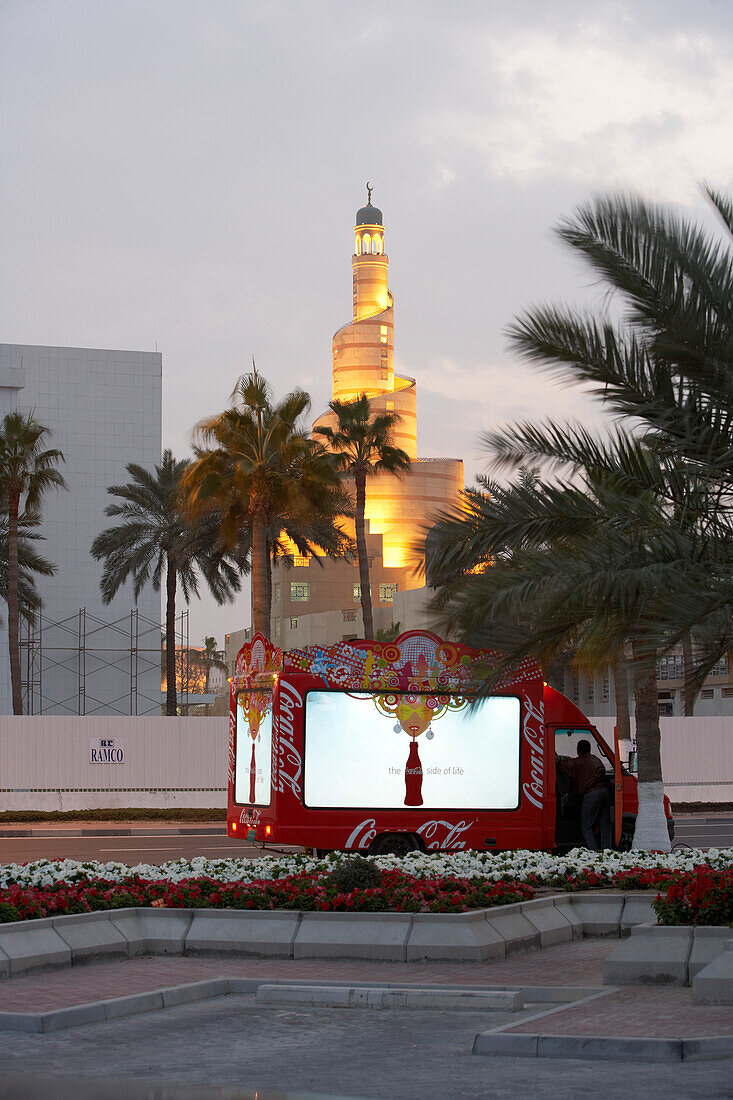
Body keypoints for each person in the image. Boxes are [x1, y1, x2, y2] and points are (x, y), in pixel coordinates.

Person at [556, 739, 611, 850]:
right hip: (605, 792)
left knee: (586, 826)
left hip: (592, 794)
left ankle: (594, 852)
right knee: (605, 824)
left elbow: (563, 764)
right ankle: (607, 851)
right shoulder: (596, 759)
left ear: (578, 750)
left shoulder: (577, 762)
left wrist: (558, 757)